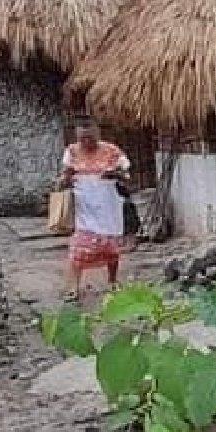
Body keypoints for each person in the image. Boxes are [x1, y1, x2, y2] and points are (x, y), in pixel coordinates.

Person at [56, 121, 130, 302]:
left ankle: (112, 281)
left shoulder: (112, 151)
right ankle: (74, 286)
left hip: (108, 207)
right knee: (79, 247)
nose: (87, 142)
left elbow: (127, 176)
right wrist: (66, 178)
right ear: (77, 137)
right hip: (85, 207)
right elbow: (62, 180)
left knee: (111, 248)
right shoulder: (71, 152)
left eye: (90, 138)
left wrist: (114, 174)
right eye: (83, 138)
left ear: (98, 134)